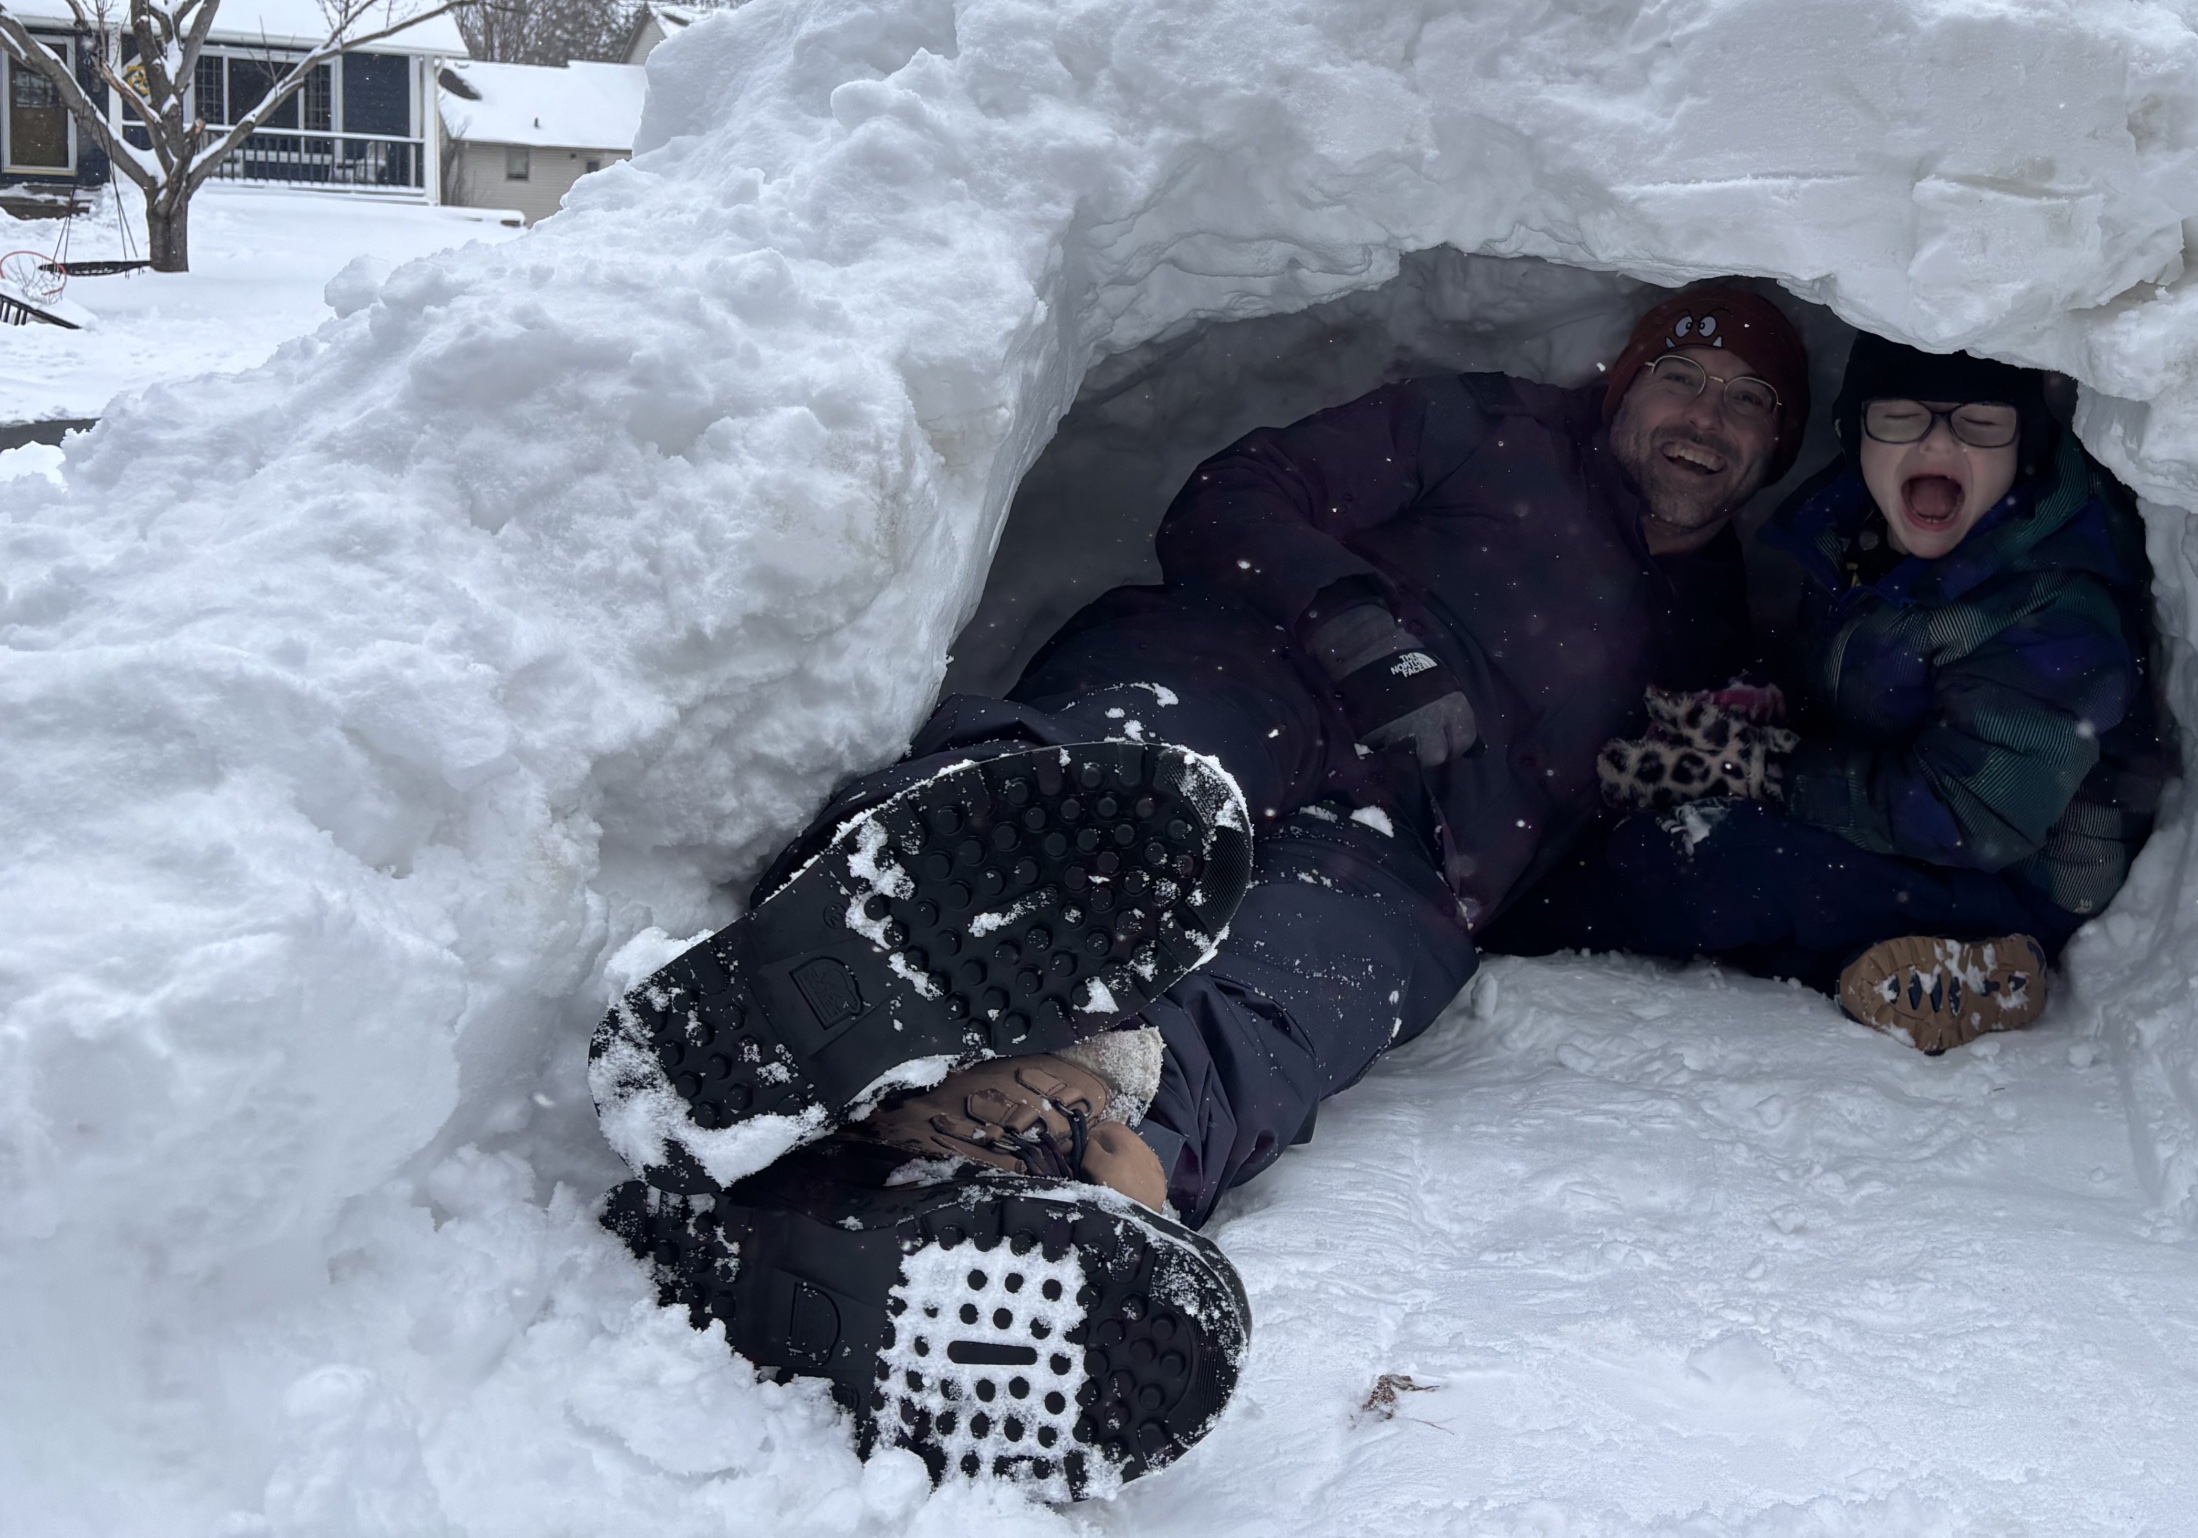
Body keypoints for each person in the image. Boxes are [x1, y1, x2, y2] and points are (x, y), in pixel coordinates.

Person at [588, 280, 1813, 1496]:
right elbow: (1238, 497)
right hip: (1259, 669)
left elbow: (1651, 839)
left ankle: (1042, 1154)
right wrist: (1356, 626)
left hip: (1416, 856)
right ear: (1626, 379)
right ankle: (869, 939)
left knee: (1283, 1000)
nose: (1707, 417)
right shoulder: (1488, 428)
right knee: (1123, 804)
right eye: (1684, 378)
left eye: (1749, 401)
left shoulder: (1711, 634)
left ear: (1777, 448)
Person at [1489, 334, 2172, 1055]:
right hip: (1902, 823)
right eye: (1901, 418)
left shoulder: (2054, 609)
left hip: (2015, 875)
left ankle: (1503, 925)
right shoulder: (1854, 532)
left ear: (2022, 447)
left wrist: (1774, 772)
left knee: (1711, 858)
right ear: (1857, 436)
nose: (1939, 445)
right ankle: (1895, 963)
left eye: (1979, 424)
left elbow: (1974, 816)